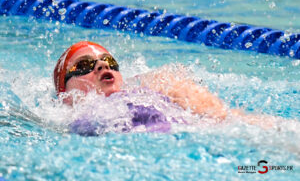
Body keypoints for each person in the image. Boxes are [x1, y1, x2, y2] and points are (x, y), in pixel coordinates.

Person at [54, 41, 276, 135]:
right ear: (63, 93)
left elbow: (224, 119)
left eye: (110, 62)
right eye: (84, 65)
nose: (102, 65)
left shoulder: (151, 89)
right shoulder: (64, 122)